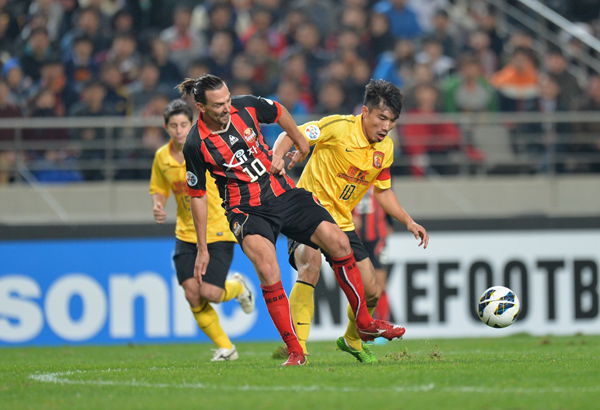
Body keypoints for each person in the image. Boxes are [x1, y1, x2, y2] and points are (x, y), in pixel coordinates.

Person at [179, 74, 406, 367]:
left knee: (337, 241)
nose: (226, 107)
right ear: (200, 106)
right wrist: (202, 248)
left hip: (282, 192)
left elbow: (279, 112)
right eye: (219, 104)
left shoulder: (245, 106)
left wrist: (301, 143)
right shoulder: (195, 144)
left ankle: (363, 322)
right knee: (267, 265)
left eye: (227, 99)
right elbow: (197, 196)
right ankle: (295, 351)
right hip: (246, 210)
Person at [272, 79, 429, 362]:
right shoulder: (337, 127)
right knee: (310, 264)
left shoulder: (386, 149)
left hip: (342, 223)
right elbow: (292, 133)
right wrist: (277, 157)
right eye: (382, 118)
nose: (386, 126)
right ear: (365, 112)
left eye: (392, 121)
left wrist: (407, 221)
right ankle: (299, 350)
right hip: (307, 211)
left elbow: (382, 192)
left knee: (371, 291)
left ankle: (352, 340)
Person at [149, 99, 255, 362]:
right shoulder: (162, 157)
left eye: (184, 124)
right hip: (186, 233)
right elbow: (159, 187)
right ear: (166, 127)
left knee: (210, 293)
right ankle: (226, 348)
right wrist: (158, 204)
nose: (179, 130)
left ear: (191, 124)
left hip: (217, 229)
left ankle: (238, 288)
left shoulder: (203, 149)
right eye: (173, 125)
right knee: (192, 294)